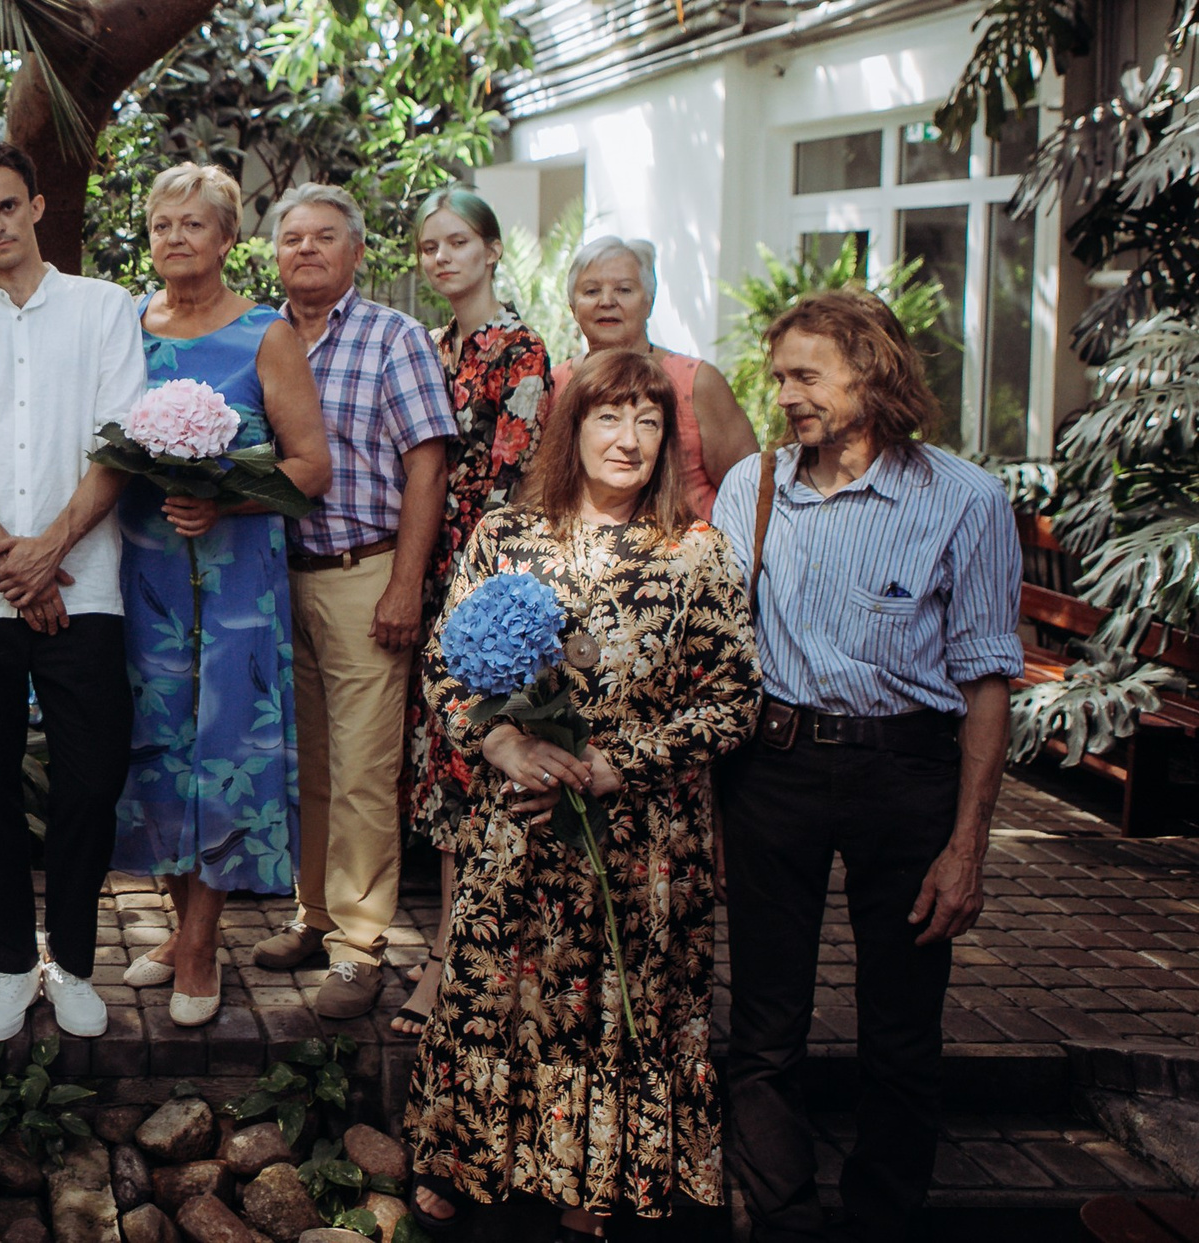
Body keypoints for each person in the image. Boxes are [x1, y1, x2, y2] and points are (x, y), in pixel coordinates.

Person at [404, 348, 760, 1235]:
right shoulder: (507, 534)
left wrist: (617, 764)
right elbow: (447, 664)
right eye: (609, 417)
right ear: (575, 427)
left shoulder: (697, 552)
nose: (629, 438)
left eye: (648, 420)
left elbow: (734, 701)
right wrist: (501, 738)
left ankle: (594, 1175)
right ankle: (472, 1156)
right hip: (517, 824)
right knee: (496, 992)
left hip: (637, 839)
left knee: (610, 1001)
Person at [713, 289, 1020, 1243]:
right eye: (780, 378)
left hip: (909, 778)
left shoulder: (963, 500)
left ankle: (884, 1217)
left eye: (807, 376)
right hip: (774, 771)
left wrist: (968, 843)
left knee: (901, 1026)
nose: (786, 396)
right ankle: (785, 1209)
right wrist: (714, 809)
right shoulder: (752, 488)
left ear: (872, 374)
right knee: (764, 1024)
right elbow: (716, 655)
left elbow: (986, 683)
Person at [0, 143, 147, 1043]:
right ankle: (9, 963)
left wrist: (47, 555)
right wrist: (10, 562)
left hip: (83, 586)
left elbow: (119, 445)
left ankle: (76, 961)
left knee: (93, 778)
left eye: (8, 206)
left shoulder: (102, 308)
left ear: (38, 205)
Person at [113, 165, 330, 1028]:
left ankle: (203, 943)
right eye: (162, 224)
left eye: (192, 225)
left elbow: (311, 467)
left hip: (235, 578)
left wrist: (224, 495)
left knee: (223, 747)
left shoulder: (264, 336)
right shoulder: (128, 326)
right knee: (154, 745)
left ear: (227, 238)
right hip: (143, 573)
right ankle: (174, 923)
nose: (173, 238)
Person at [249, 185, 457, 1020]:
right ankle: (315, 914)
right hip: (277, 575)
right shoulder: (262, 337)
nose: (304, 249)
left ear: (357, 252)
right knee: (308, 764)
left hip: (364, 570)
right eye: (291, 237)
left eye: (323, 237)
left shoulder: (391, 338)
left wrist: (405, 583)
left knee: (366, 769)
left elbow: (428, 466)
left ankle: (359, 948)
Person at [394, 186, 553, 1039]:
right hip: (417, 566)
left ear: (492, 250)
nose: (443, 257)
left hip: (481, 575)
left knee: (467, 761)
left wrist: (476, 579)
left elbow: (514, 475)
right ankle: (452, 946)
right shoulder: (424, 345)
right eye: (430, 247)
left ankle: (459, 957)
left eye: (459, 241)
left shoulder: (519, 348)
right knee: (432, 765)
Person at [555, 235, 756, 520]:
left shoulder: (697, 383)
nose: (607, 301)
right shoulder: (554, 384)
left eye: (624, 290)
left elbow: (748, 492)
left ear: (649, 302)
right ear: (572, 307)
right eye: (591, 291)